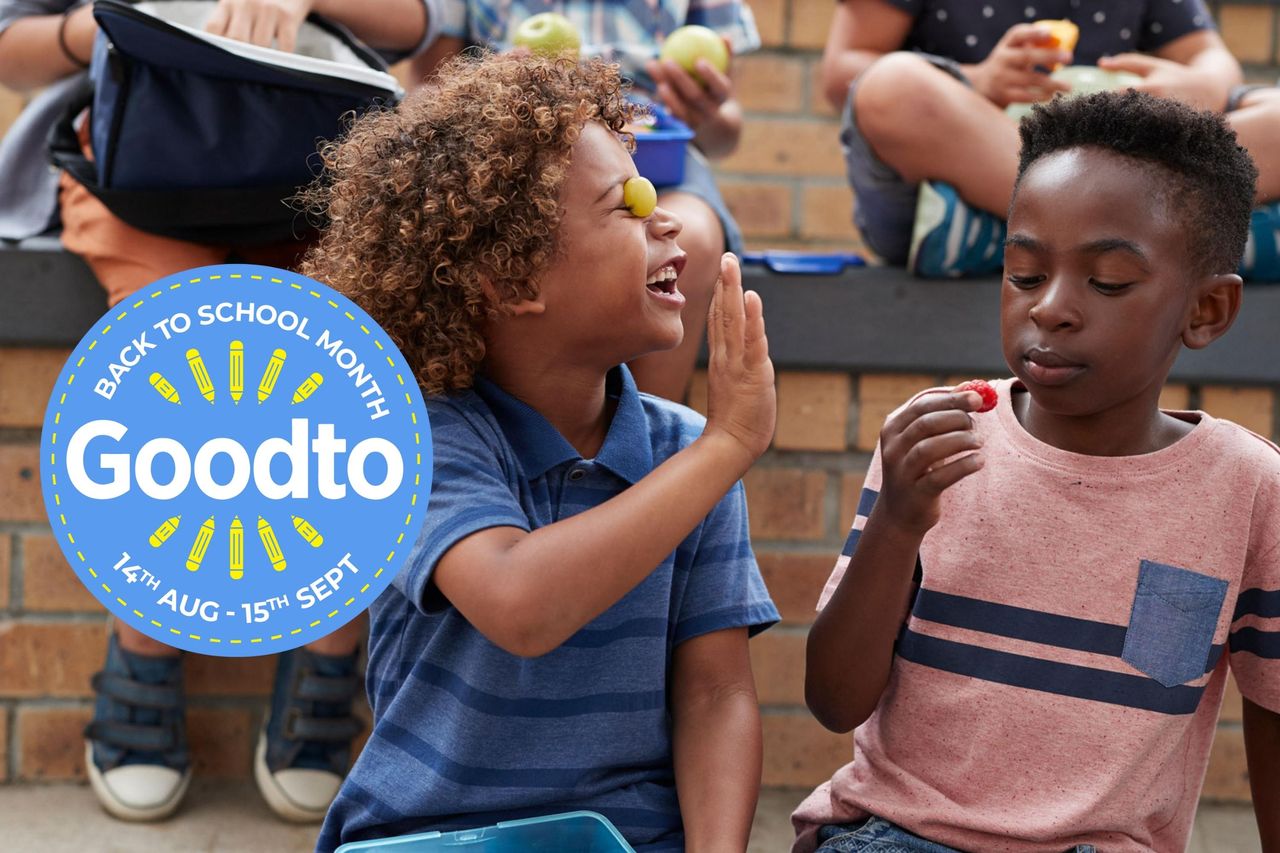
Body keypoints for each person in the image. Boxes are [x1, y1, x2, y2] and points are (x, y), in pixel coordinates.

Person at [300, 52, 780, 852]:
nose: (664, 220)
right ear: (510, 277)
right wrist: (729, 443)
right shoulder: (418, 435)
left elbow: (717, 692)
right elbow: (519, 604)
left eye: (651, 195)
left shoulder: (685, 453)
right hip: (426, 835)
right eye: (623, 208)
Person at [793, 90, 1280, 852]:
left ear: (1207, 311)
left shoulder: (1248, 489)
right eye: (1023, 275)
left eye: (1108, 282)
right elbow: (833, 698)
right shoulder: (937, 441)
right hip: (901, 834)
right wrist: (897, 524)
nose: (1051, 308)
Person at [0, 0, 439, 824]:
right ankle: (148, 649)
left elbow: (422, 23)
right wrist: (111, 25)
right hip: (142, 168)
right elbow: (10, 51)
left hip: (322, 167)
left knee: (345, 361)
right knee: (175, 360)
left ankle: (328, 654)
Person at [409, 0, 758, 401]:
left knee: (692, 237)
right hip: (519, 164)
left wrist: (705, 111)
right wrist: (486, 88)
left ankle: (644, 444)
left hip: (663, 152)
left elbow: (726, 130)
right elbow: (426, 91)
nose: (667, 225)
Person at [821, 0, 1280, 280]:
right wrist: (975, 79)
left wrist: (1201, 86)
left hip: (1127, 156)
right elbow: (844, 71)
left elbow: (1212, 59)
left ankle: (1010, 241)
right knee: (893, 85)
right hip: (971, 176)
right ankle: (1197, 238)